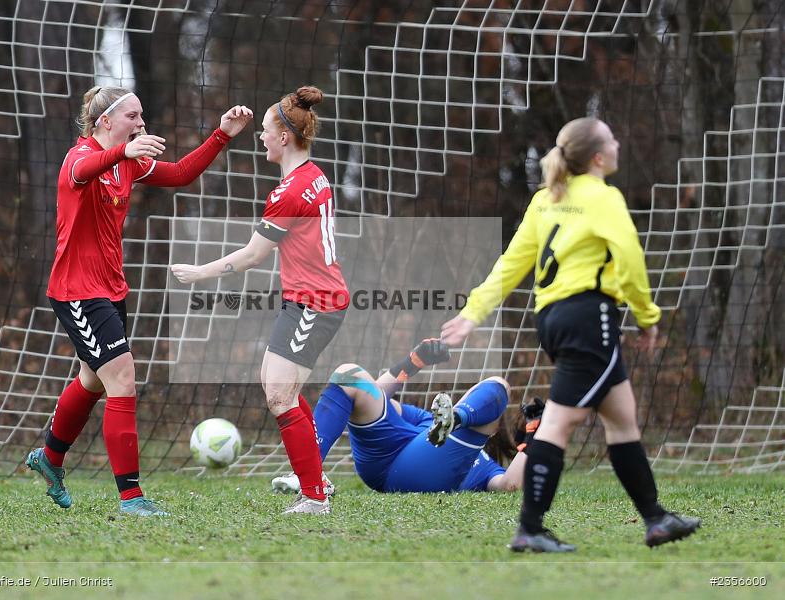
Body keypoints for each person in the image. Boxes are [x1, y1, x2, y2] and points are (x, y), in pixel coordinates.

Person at [441, 117, 701, 551]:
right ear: (599, 156)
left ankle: (657, 520)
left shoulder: (547, 199)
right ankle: (530, 528)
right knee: (558, 424)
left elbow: (510, 264)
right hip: (588, 319)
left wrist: (474, 312)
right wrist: (647, 316)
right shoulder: (603, 198)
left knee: (621, 418)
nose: (618, 142)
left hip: (555, 320)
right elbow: (631, 261)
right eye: (612, 137)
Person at [26, 85, 253, 516]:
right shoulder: (80, 158)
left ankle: (50, 459)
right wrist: (125, 155)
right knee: (123, 379)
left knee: (94, 380)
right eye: (133, 116)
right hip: (77, 291)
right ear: (105, 121)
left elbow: (182, 173)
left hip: (110, 289)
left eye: (142, 115)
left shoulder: (127, 165)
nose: (141, 124)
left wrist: (222, 134)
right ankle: (132, 498)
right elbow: (84, 169)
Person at [171, 86, 349, 514]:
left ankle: (314, 497)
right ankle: (315, 478)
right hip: (303, 298)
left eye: (266, 131)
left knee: (280, 395)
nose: (262, 138)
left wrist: (200, 273)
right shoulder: (313, 175)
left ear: (284, 137)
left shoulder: (288, 192)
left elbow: (252, 255)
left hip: (317, 302)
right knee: (275, 383)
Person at [270, 340, 534, 495]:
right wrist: (413, 362)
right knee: (350, 375)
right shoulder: (425, 420)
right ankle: (308, 473)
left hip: (420, 474)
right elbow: (375, 396)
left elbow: (509, 485)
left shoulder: (485, 464)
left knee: (500, 383)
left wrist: (536, 438)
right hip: (385, 456)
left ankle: (458, 418)